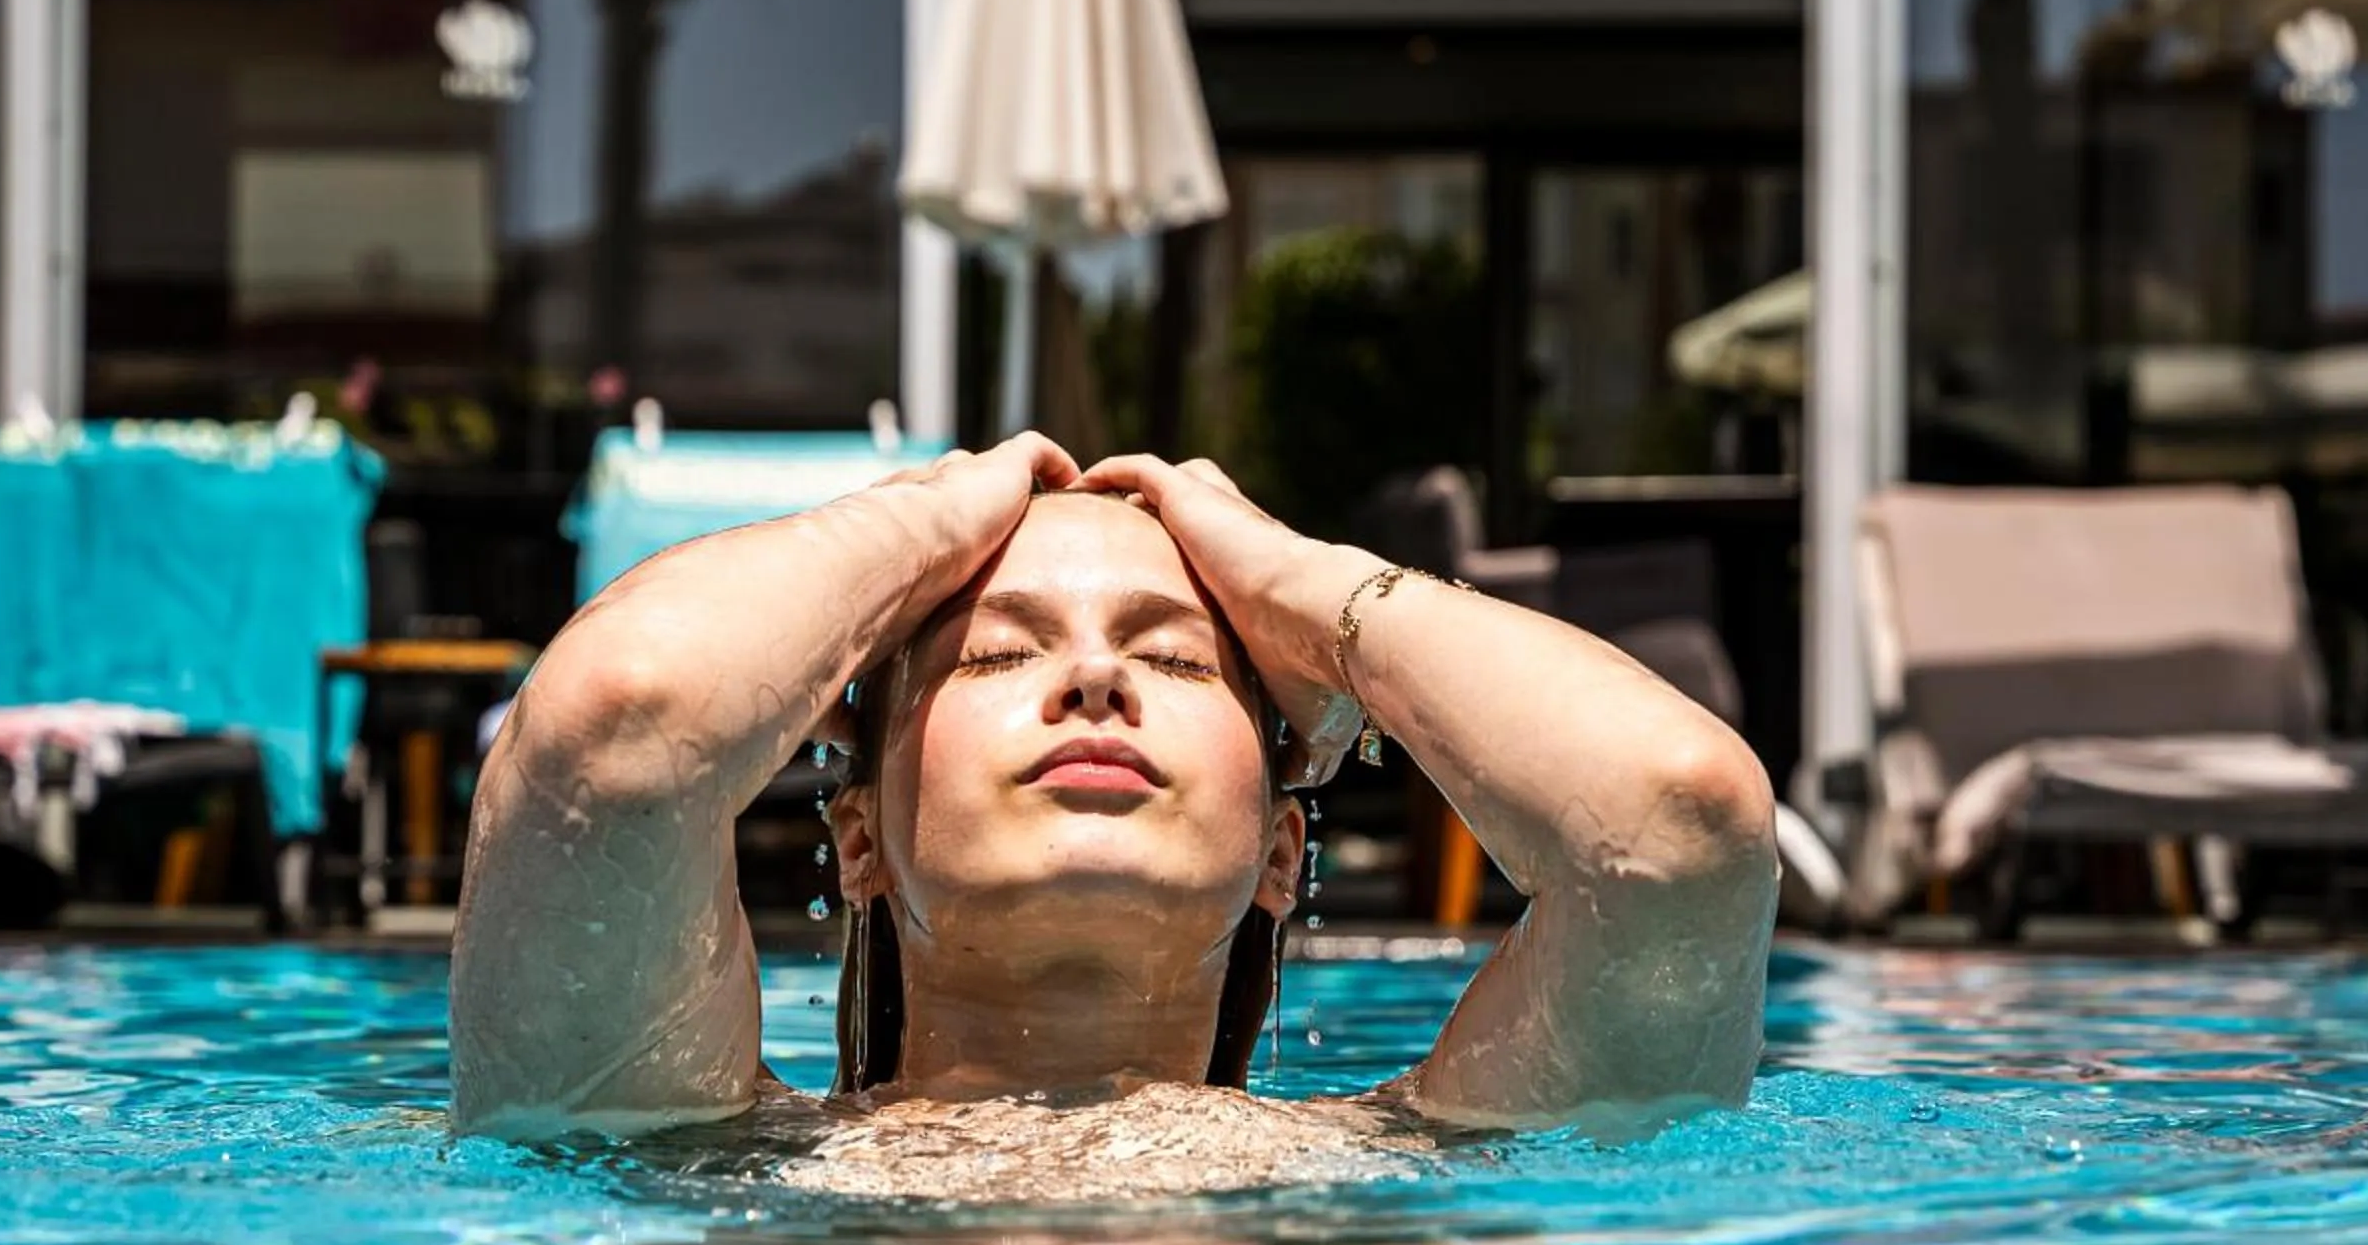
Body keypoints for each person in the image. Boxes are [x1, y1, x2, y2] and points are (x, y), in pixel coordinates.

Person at [449, 434, 1777, 1146]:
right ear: (857, 840)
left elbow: (1678, 826)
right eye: (999, 651)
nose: (1094, 681)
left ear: (1282, 851)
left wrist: (1295, 583)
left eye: (1172, 656)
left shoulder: (1410, 1165)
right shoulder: (688, 1141)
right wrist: (921, 518)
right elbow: (618, 733)